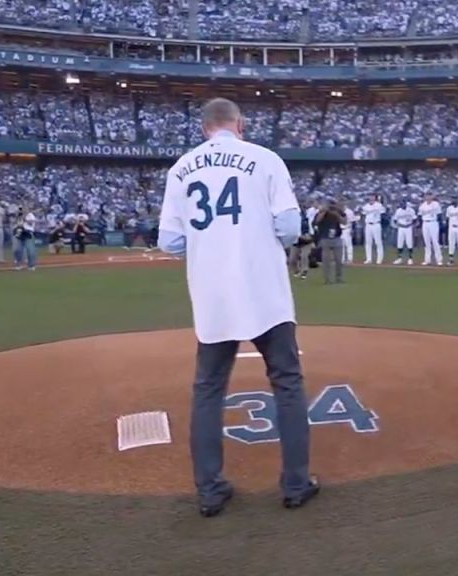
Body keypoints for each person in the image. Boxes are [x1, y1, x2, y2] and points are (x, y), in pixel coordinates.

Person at [157, 98, 319, 517]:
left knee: (208, 390)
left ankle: (210, 490)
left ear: (205, 128)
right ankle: (296, 484)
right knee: (287, 381)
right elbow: (289, 227)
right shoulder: (264, 158)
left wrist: (210, 244)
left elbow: (169, 242)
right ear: (239, 124)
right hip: (263, 287)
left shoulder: (181, 169)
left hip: (212, 293)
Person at [314, 198, 346, 284]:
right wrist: (324, 211)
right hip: (325, 238)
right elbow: (317, 221)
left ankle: (339, 278)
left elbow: (344, 222)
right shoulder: (321, 212)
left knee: (339, 260)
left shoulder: (337, 212)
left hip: (337, 237)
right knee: (326, 260)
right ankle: (327, 279)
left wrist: (337, 214)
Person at [418, 193, 443, 266]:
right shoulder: (423, 205)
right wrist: (419, 224)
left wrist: (440, 224)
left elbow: (439, 214)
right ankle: (427, 260)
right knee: (427, 242)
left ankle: (439, 260)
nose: (428, 197)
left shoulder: (436, 204)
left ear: (432, 197)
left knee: (435, 241)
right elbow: (420, 215)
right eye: (427, 196)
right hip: (425, 223)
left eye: (430, 196)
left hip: (433, 222)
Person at [289, 209, 315, 280]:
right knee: (292, 259)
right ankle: (296, 271)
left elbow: (311, 230)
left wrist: (310, 236)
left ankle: (304, 271)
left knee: (304, 256)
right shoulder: (292, 221)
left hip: (306, 241)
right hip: (296, 241)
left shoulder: (307, 220)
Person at [361, 194, 385, 265]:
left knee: (378, 242)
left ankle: (379, 259)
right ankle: (368, 259)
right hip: (368, 225)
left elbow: (383, 212)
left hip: (376, 224)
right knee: (368, 242)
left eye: (373, 197)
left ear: (375, 198)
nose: (371, 198)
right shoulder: (365, 206)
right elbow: (363, 214)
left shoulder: (379, 205)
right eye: (370, 197)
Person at [13, 207, 38, 271]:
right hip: (20, 233)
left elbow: (31, 223)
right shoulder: (19, 216)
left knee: (30, 250)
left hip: (28, 233)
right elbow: (17, 224)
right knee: (18, 250)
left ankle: (31, 265)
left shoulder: (31, 215)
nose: (24, 210)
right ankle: (19, 265)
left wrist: (24, 218)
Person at [392, 199, 416, 264]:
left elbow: (414, 219)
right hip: (401, 228)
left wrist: (411, 225)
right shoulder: (398, 211)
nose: (402, 205)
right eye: (401, 204)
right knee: (400, 243)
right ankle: (399, 258)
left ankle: (410, 258)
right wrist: (399, 224)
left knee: (409, 243)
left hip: (408, 227)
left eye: (403, 203)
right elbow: (395, 220)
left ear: (406, 204)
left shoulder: (411, 210)